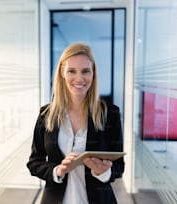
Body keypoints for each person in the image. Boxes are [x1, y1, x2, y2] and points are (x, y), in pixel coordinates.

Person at [26, 42, 125, 204]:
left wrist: (102, 172)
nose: (79, 78)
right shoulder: (46, 114)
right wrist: (58, 170)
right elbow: (34, 162)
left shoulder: (110, 114)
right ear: (62, 73)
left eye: (86, 71)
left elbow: (119, 166)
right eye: (72, 71)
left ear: (93, 74)